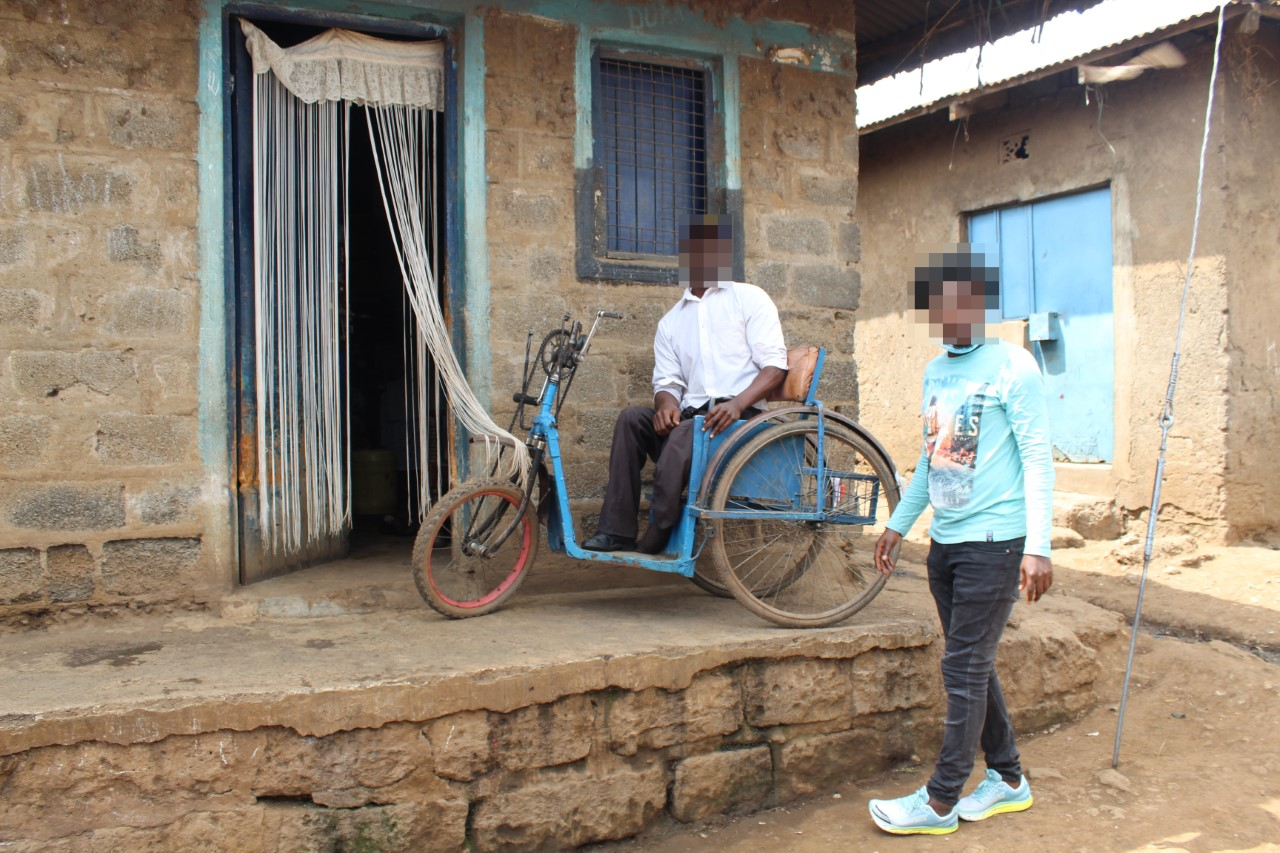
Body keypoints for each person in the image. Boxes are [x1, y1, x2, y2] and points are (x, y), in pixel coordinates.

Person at [867, 248, 1054, 836]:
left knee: (963, 666)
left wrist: (1039, 546)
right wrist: (899, 524)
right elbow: (933, 459)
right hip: (945, 544)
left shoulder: (1013, 366)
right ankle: (1008, 778)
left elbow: (1038, 460)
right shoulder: (937, 371)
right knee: (974, 663)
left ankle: (941, 800)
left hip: (996, 544)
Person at [582, 214, 788, 554]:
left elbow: (775, 368)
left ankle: (662, 526)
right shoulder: (671, 322)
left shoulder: (749, 299)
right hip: (694, 422)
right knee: (632, 419)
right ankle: (616, 531)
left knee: (685, 432)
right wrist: (665, 405)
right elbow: (668, 381)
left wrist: (736, 403)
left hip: (739, 419)